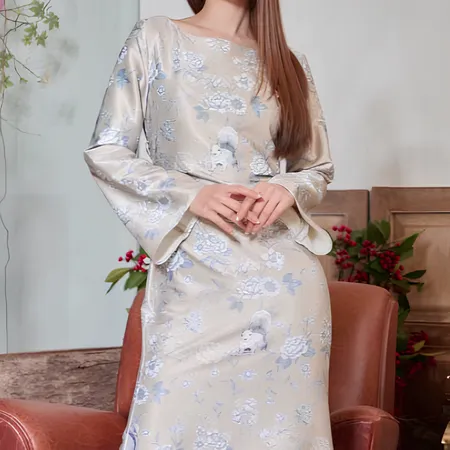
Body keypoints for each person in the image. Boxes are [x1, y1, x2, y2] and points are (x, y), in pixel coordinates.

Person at [84, 0, 334, 448]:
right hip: (195, 275)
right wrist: (189, 192)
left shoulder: (289, 64)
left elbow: (316, 167)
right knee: (167, 429)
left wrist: (287, 188)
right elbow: (107, 151)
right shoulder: (156, 37)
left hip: (284, 289)